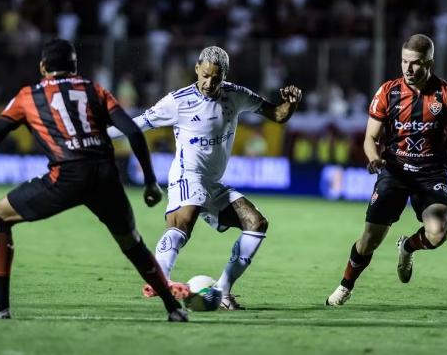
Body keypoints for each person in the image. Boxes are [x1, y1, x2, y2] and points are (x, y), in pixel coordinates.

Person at [0, 39, 188, 322]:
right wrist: (150, 181)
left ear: (42, 67)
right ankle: (173, 308)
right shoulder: (94, 89)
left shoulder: (28, 97)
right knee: (132, 242)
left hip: (66, 176)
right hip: (105, 176)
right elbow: (134, 132)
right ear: (75, 66)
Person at [108, 46, 302, 310]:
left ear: (225, 76)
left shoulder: (236, 95)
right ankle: (159, 277)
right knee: (183, 222)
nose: (209, 83)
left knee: (256, 223)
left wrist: (290, 104)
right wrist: (96, 136)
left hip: (213, 183)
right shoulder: (178, 101)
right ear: (197, 68)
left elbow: (277, 115)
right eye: (205, 75)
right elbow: (137, 124)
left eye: (216, 78)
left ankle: (222, 290)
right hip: (187, 174)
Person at [326, 34, 447, 306]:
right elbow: (369, 138)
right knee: (369, 241)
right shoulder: (388, 92)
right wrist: (374, 157)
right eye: (404, 62)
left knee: (439, 232)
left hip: (431, 175)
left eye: (416, 63)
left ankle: (408, 246)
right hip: (394, 171)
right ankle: (345, 285)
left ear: (430, 63)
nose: (408, 69)